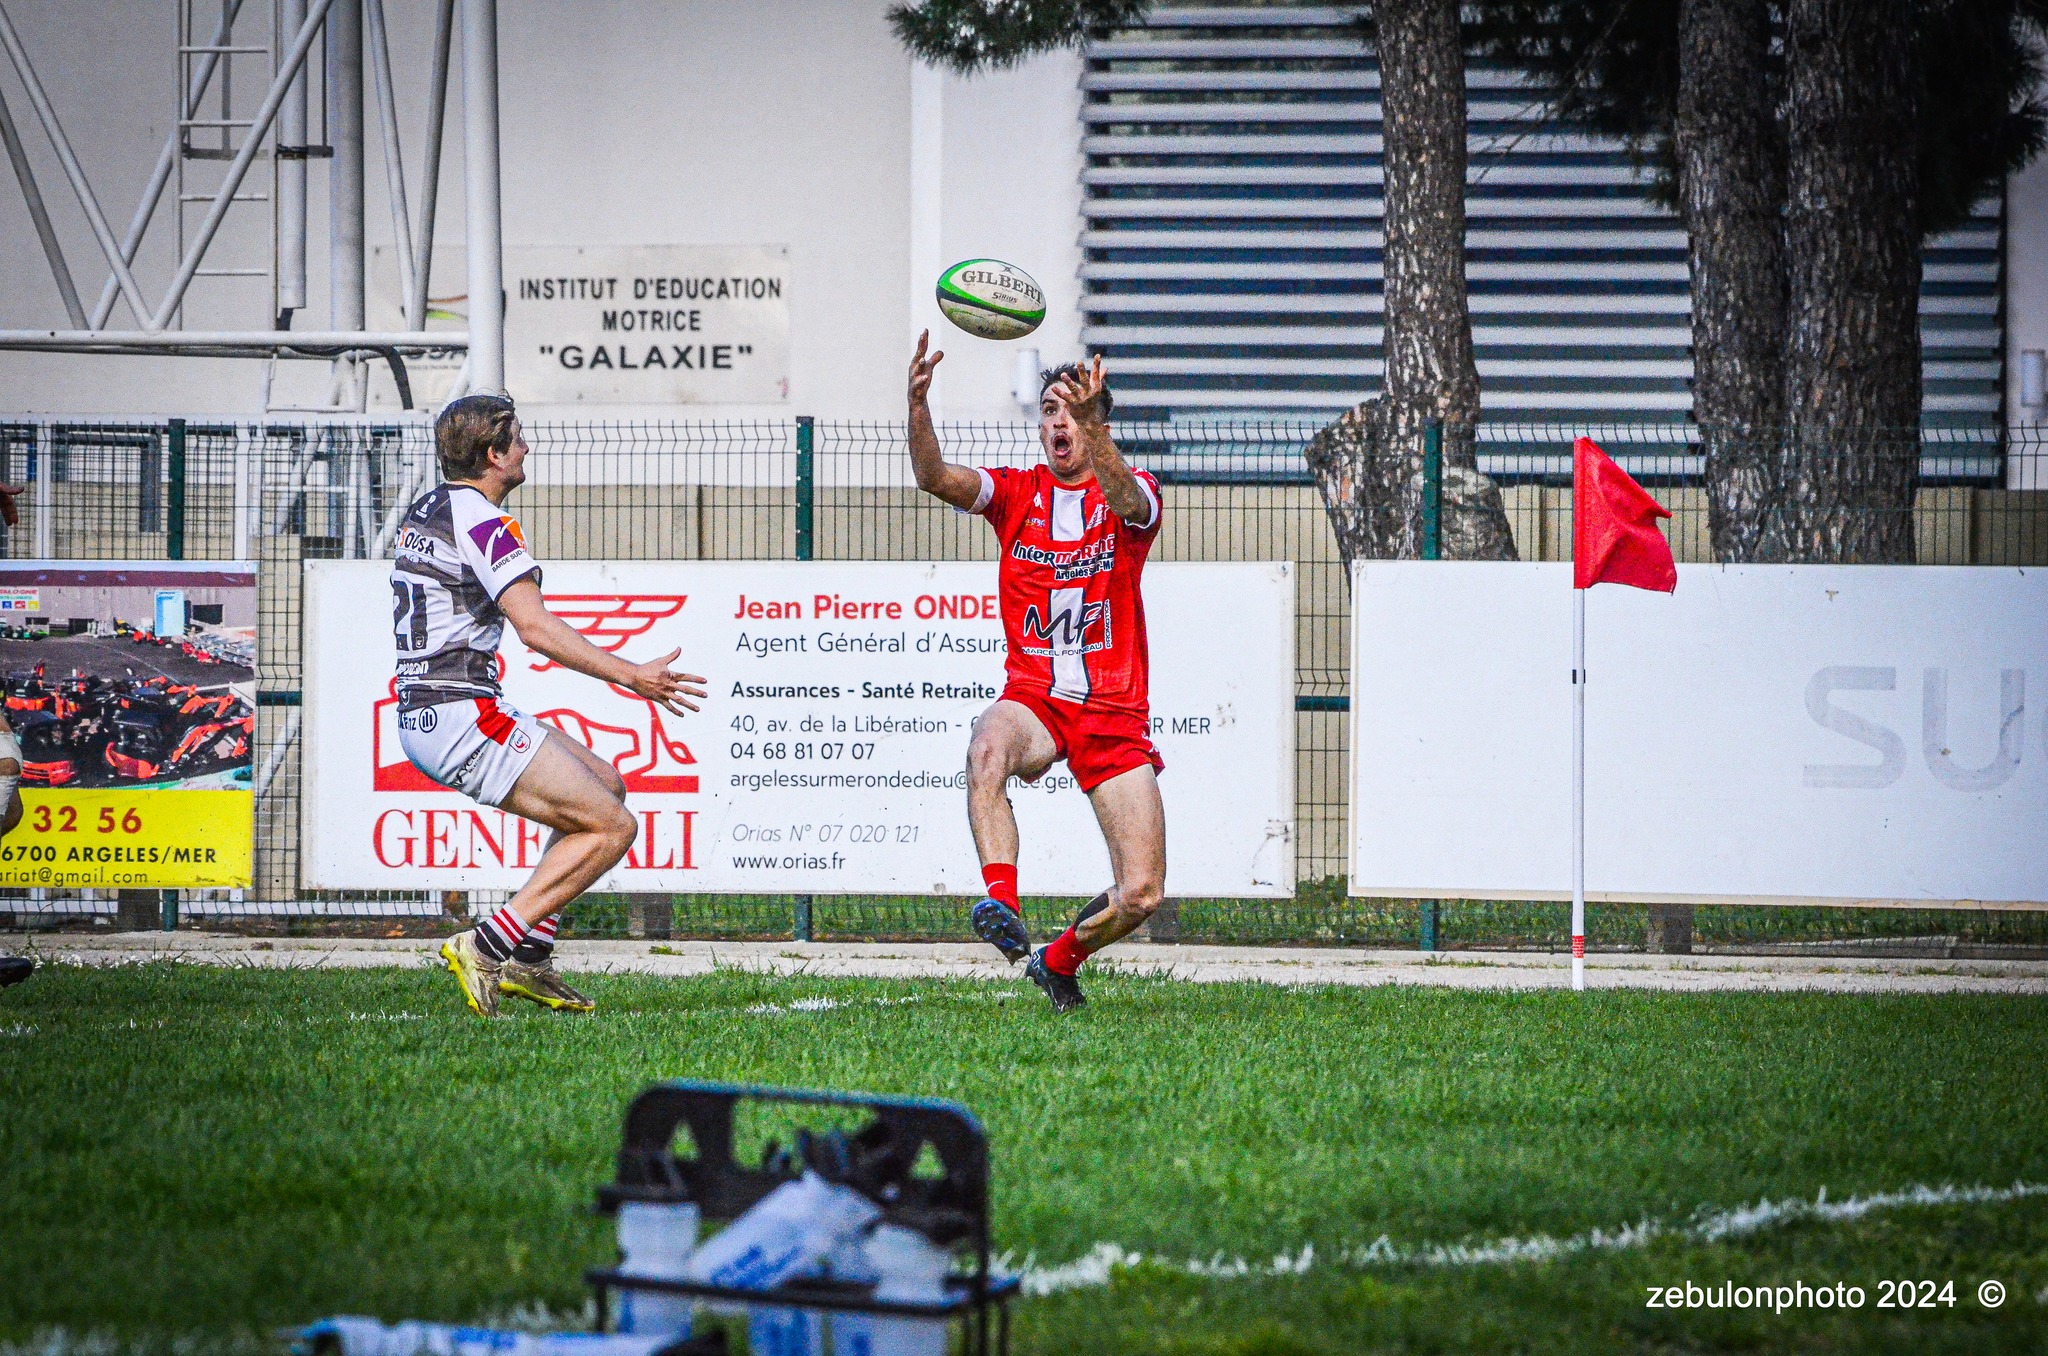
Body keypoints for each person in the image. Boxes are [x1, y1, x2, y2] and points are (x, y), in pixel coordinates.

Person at [392, 394, 705, 1017]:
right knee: (613, 828)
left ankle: (531, 962)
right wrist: (632, 676)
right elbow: (534, 628)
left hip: (435, 706)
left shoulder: (428, 508)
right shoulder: (484, 521)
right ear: (493, 454)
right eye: (519, 440)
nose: (527, 448)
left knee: (604, 785)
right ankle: (486, 944)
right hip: (460, 713)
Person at [906, 332, 1167, 1013]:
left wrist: (1096, 428)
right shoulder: (1016, 493)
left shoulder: (1132, 491)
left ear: (1098, 424)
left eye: (1073, 411)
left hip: (1111, 709)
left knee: (1141, 893)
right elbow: (935, 478)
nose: (1057, 422)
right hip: (1036, 696)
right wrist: (918, 407)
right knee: (987, 745)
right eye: (1050, 408)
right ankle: (1003, 908)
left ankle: (1057, 961)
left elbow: (1132, 506)